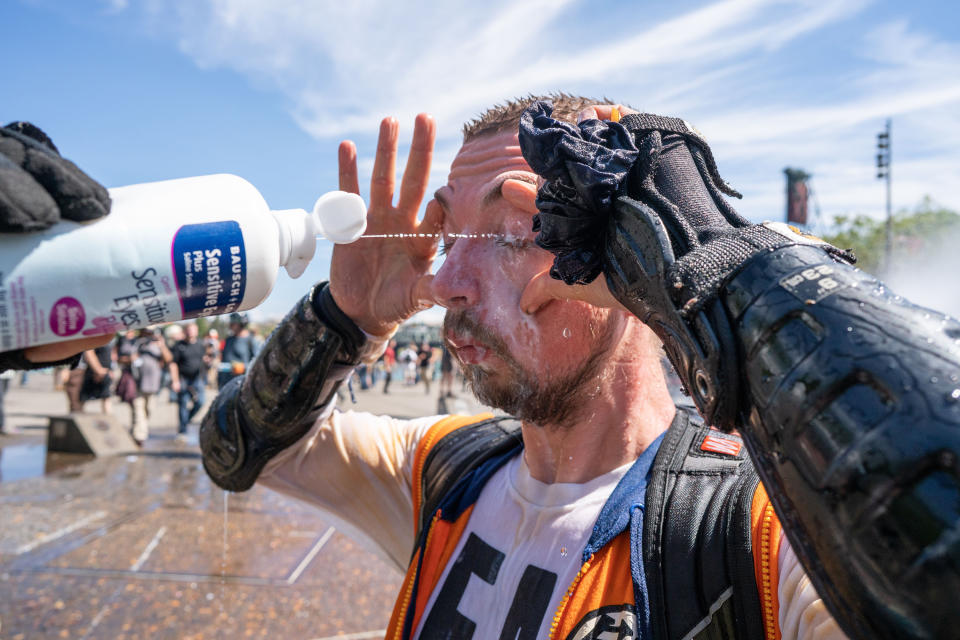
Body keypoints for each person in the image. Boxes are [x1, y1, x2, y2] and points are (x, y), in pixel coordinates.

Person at [170, 323, 208, 442]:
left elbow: (204, 359)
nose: (191, 332)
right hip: (183, 378)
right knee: (183, 404)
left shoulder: (200, 344)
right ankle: (182, 431)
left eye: (193, 330)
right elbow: (173, 364)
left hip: (197, 378)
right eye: (189, 330)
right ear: (185, 331)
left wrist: (207, 361)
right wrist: (175, 380)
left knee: (201, 402)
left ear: (196, 331)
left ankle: (187, 420)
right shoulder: (179, 345)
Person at [218, 313, 258, 389]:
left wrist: (244, 367)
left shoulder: (251, 341)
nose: (230, 325)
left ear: (241, 323)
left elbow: (258, 363)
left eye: (233, 323)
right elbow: (224, 359)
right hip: (226, 384)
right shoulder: (228, 340)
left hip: (241, 385)